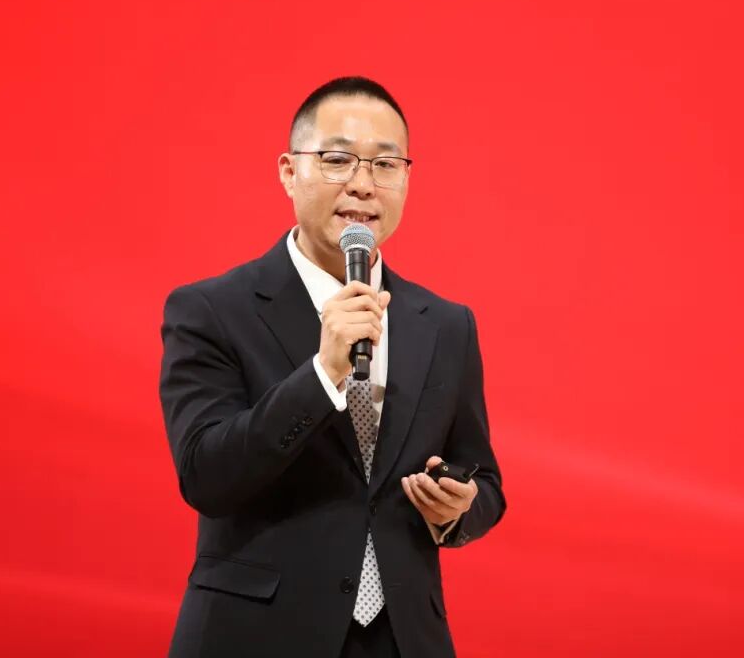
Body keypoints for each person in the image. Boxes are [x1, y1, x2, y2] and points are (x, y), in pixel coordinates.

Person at [159, 76, 506, 658]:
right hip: (255, 637)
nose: (363, 184)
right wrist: (322, 374)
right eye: (338, 160)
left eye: (386, 165)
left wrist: (459, 507)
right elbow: (206, 475)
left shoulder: (446, 324)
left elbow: (485, 480)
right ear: (289, 171)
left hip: (404, 640)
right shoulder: (211, 310)